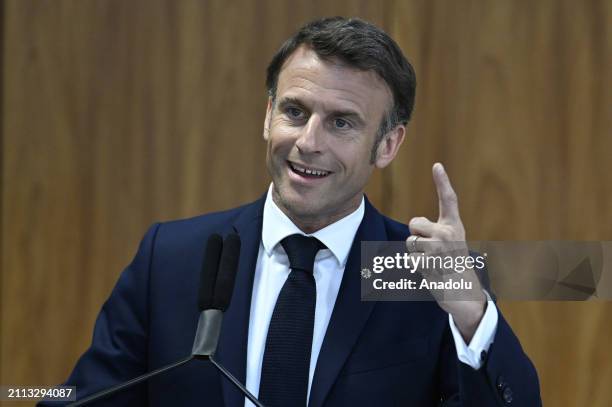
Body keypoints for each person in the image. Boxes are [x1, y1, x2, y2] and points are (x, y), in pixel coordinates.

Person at [43, 17, 541, 406]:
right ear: (267, 115)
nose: (308, 143)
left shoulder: (423, 274)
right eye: (295, 111)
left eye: (342, 123)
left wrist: (473, 315)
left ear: (387, 144)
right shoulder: (171, 258)